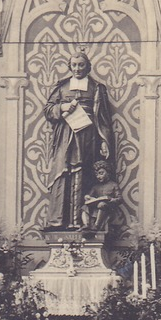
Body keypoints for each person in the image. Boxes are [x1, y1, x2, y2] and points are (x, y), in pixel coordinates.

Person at [44, 52, 115, 230]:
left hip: (88, 137)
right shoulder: (62, 87)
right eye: (74, 65)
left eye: (81, 65)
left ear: (88, 66)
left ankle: (81, 222)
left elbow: (104, 118)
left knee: (85, 175)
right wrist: (63, 107)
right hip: (65, 135)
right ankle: (59, 221)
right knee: (62, 174)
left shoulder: (97, 88)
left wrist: (104, 141)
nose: (77, 68)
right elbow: (48, 110)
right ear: (70, 67)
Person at [80, 158, 121, 235]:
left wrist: (110, 199)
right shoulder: (96, 187)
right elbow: (89, 196)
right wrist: (87, 197)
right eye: (97, 174)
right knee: (84, 207)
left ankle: (96, 226)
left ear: (108, 173)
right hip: (96, 208)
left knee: (101, 204)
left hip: (109, 209)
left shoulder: (113, 185)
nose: (98, 176)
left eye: (101, 173)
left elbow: (119, 199)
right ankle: (86, 225)